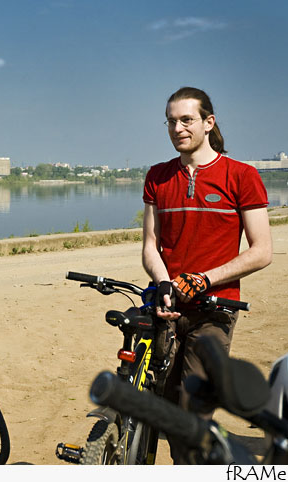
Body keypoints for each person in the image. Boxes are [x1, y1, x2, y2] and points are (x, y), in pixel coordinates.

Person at [142, 86, 272, 462]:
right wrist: (163, 283)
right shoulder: (157, 176)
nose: (177, 128)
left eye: (187, 120)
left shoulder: (242, 176)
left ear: (208, 122)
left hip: (215, 309)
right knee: (163, 408)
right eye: (171, 121)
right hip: (168, 307)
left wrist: (204, 279)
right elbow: (150, 245)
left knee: (192, 414)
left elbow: (262, 251)